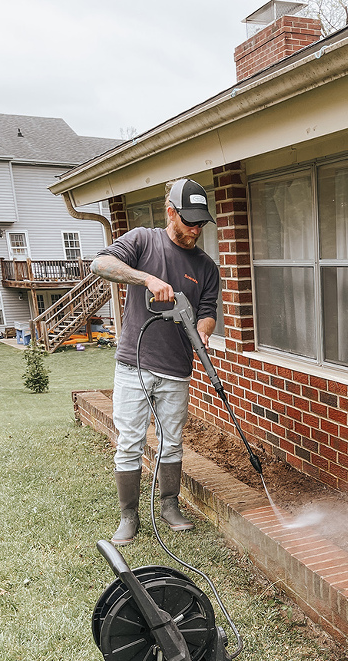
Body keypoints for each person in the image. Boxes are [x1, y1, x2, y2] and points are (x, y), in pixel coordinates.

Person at [91, 178, 220, 545]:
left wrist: (204, 329)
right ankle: (128, 516)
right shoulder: (142, 240)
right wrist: (146, 279)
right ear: (171, 212)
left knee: (171, 441)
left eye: (200, 223)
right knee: (130, 441)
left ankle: (169, 506)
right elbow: (100, 263)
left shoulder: (207, 267)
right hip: (135, 363)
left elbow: (207, 310)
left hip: (177, 368)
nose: (195, 229)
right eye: (188, 221)